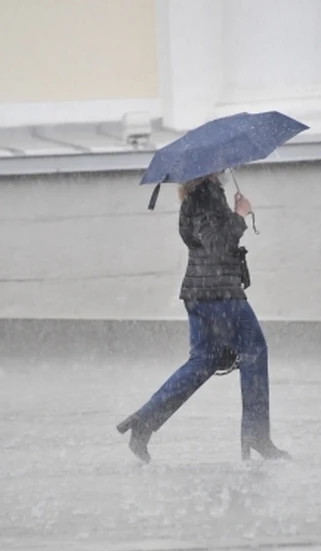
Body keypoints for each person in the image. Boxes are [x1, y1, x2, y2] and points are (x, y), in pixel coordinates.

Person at [115, 172, 290, 463]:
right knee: (254, 351)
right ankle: (256, 434)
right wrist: (240, 215)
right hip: (220, 294)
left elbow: (200, 243)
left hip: (198, 294)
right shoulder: (208, 194)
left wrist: (231, 215)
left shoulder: (192, 197)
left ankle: (145, 422)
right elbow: (217, 246)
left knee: (203, 361)